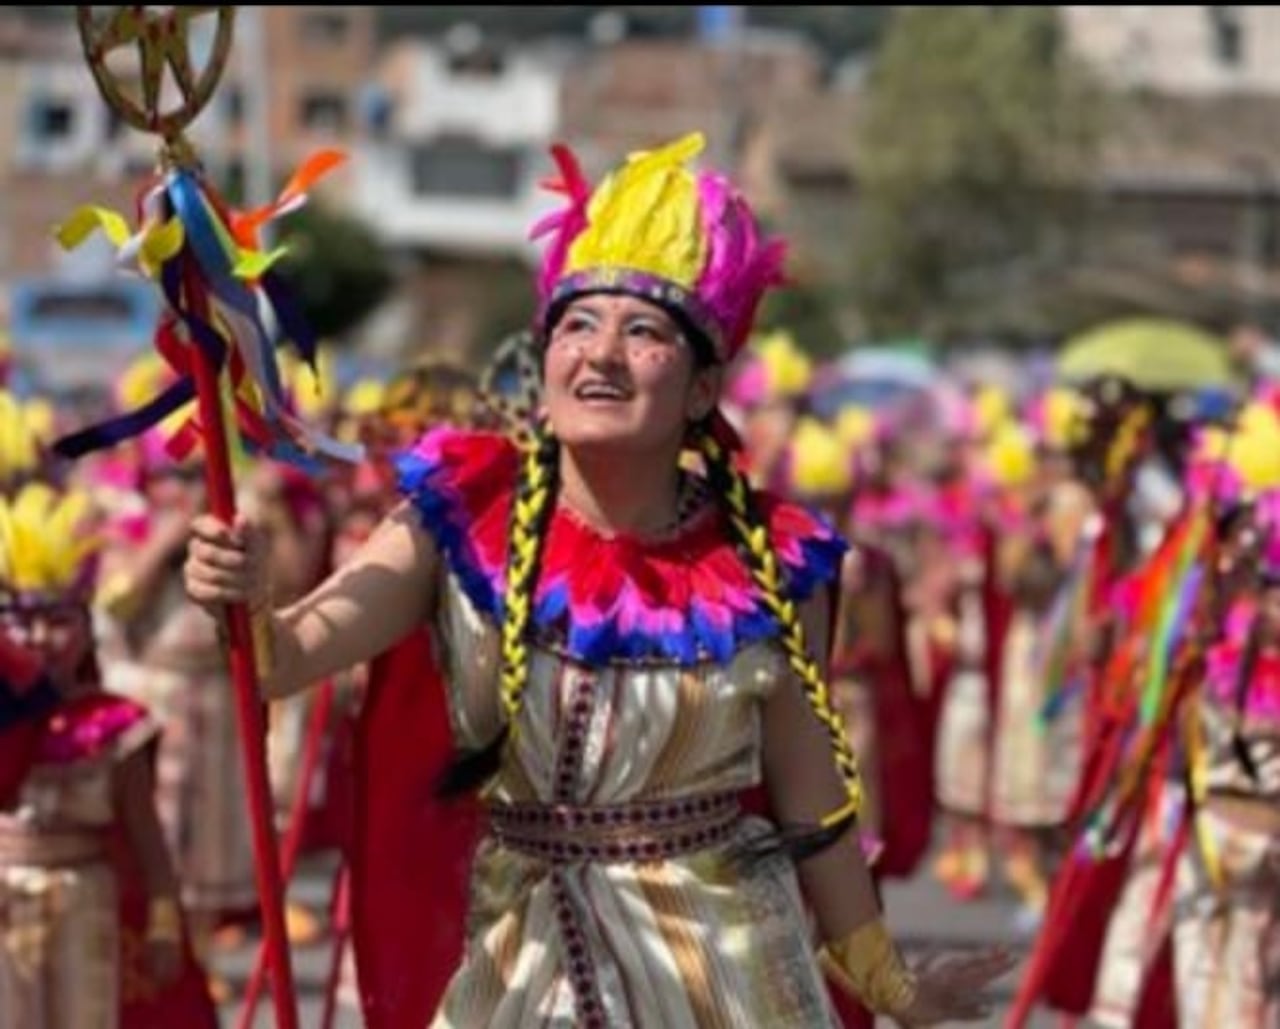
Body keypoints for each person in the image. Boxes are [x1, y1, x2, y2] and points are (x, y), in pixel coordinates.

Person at [185, 132, 1011, 1026]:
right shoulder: (456, 512)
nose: (602, 353)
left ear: (702, 391)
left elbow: (814, 807)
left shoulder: (771, 558)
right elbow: (281, 658)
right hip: (520, 971)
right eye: (577, 324)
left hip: (723, 977)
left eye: (645, 331)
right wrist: (244, 596)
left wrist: (892, 983)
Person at [0, 481, 216, 1027]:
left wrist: (165, 927)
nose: (41, 638)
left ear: (87, 628)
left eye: (59, 620)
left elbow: (147, 839)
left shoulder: (114, 725)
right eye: (22, 622)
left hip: (86, 912)